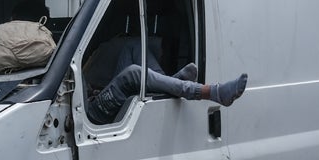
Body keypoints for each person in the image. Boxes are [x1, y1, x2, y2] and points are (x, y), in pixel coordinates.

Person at [85, 54, 248, 125]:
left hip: (90, 96)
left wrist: (93, 89)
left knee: (132, 46)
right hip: (90, 113)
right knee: (133, 74)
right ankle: (214, 92)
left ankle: (170, 81)